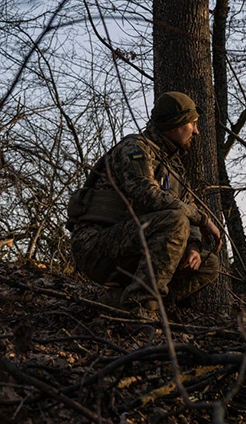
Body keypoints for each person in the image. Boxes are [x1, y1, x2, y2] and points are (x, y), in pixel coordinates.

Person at [66, 91, 222, 320]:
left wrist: (194, 246)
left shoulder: (173, 166)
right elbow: (146, 195)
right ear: (174, 124)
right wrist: (203, 219)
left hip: (133, 247)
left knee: (209, 264)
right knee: (175, 222)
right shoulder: (135, 149)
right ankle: (139, 310)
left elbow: (185, 206)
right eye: (193, 123)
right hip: (96, 246)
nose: (196, 131)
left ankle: (125, 300)